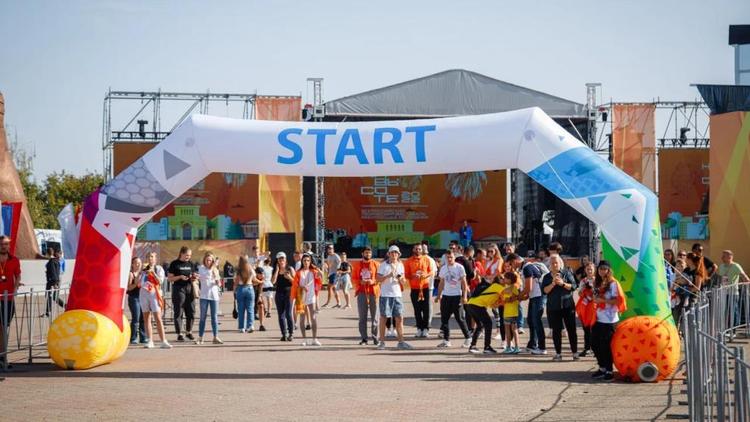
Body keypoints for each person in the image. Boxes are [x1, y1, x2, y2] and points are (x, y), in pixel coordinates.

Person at [590, 260, 627, 381]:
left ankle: (609, 370)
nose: (602, 271)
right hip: (598, 317)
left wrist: (603, 301)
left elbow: (618, 301)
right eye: (600, 268)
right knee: (595, 344)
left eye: (605, 269)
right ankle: (602, 368)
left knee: (606, 346)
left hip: (610, 319)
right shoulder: (598, 282)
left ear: (609, 270)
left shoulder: (613, 283)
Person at [376, 245, 413, 350]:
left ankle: (401, 342)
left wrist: (401, 279)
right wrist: (388, 276)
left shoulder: (401, 265)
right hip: (385, 295)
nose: (394, 254)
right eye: (392, 253)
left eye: (396, 253)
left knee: (400, 318)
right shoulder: (383, 265)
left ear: (399, 254)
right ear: (388, 254)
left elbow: (404, 281)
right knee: (383, 318)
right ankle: (382, 342)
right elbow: (378, 279)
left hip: (397, 295)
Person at [542, 255, 578, 361]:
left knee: (571, 329)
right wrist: (553, 283)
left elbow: (574, 286)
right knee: (556, 331)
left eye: (556, 263)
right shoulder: (547, 277)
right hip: (553, 307)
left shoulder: (566, 273)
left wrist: (562, 284)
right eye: (552, 263)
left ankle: (575, 353)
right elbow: (544, 291)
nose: (554, 265)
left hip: (568, 306)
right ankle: (558, 353)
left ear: (560, 263)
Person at [512, 253, 548, 355]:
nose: (512, 266)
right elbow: (528, 291)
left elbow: (529, 288)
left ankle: (542, 347)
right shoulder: (525, 268)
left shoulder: (527, 267)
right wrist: (520, 298)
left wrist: (518, 296)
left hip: (539, 296)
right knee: (531, 321)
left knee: (536, 321)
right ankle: (532, 345)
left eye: (511, 263)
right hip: (534, 296)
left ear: (515, 260)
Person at [435, 250, 471, 348]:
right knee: (444, 319)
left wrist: (464, 296)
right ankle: (446, 340)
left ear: (454, 257)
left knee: (459, 318)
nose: (449, 259)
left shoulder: (459, 268)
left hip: (456, 296)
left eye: (451, 257)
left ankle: (468, 338)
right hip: (446, 296)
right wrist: (439, 295)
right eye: (447, 257)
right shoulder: (443, 268)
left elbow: (464, 283)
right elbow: (441, 282)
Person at [140, 252, 171, 349]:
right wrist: (142, 273)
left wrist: (152, 272)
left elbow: (160, 282)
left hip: (154, 294)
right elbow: (139, 282)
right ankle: (150, 340)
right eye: (148, 257)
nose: (150, 259)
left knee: (158, 317)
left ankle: (163, 341)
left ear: (155, 259)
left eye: (152, 257)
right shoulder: (143, 269)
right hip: (144, 294)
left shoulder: (159, 268)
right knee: (146, 318)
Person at [465, 275, 503, 354]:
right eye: (503, 279)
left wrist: (499, 302)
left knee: (480, 325)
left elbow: (492, 305)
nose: (504, 280)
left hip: (471, 304)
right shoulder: (497, 286)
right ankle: (487, 347)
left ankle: (473, 346)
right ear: (499, 280)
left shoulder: (491, 288)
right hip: (477, 306)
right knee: (488, 323)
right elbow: (507, 293)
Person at [167, 246, 198, 342]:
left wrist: (194, 277)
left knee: (191, 311)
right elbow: (170, 278)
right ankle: (179, 333)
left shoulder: (191, 264)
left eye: (190, 255)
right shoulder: (174, 264)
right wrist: (180, 276)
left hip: (189, 288)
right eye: (187, 255)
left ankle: (189, 332)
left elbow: (192, 275)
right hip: (178, 289)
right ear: (181, 253)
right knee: (179, 311)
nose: (188, 257)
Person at [291, 253, 323, 346]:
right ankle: (304, 339)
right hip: (301, 296)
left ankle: (314, 339)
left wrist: (317, 268)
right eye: (304, 260)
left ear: (310, 261)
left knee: (313, 317)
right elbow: (295, 284)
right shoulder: (298, 272)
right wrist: (301, 287)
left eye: (308, 260)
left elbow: (321, 276)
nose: (306, 262)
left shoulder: (313, 271)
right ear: (302, 261)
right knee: (302, 318)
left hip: (311, 296)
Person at [0, 235, 22, 368]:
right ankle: (2, 356)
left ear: (9, 245)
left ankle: (2, 356)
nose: (4, 246)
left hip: (8, 299)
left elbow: (18, 275)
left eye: (6, 244)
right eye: (2, 244)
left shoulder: (14, 260)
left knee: (4, 328)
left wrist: (15, 288)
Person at [404, 243, 433, 338]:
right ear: (413, 250)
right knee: (417, 310)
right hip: (414, 289)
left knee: (426, 309)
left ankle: (426, 329)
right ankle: (419, 328)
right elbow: (406, 275)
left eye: (419, 249)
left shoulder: (426, 259)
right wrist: (413, 276)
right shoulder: (408, 261)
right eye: (416, 249)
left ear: (422, 250)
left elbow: (431, 271)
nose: (418, 250)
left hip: (425, 287)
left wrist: (425, 275)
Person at [353, 246, 380, 345]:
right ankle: (364, 338)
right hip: (361, 292)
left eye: (369, 253)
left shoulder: (376, 264)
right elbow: (354, 278)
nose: (368, 254)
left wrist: (373, 281)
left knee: (375, 317)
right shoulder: (357, 265)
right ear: (362, 254)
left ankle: (375, 337)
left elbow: (380, 278)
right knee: (362, 317)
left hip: (373, 292)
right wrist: (360, 281)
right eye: (366, 253)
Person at [196, 252, 223, 344]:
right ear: (204, 260)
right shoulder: (201, 268)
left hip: (214, 296)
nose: (208, 262)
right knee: (202, 317)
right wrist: (213, 268)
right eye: (207, 260)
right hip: (204, 296)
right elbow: (205, 276)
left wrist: (217, 280)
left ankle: (215, 337)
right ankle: (200, 337)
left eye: (210, 260)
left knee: (214, 317)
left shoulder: (215, 270)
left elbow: (219, 283)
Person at [272, 252, 296, 341]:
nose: (281, 260)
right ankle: (284, 334)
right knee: (281, 315)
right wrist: (277, 271)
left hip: (289, 293)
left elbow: (295, 283)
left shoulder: (290, 269)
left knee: (288, 314)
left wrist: (289, 277)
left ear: (285, 259)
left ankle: (291, 333)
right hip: (279, 294)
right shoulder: (275, 270)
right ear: (277, 261)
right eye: (279, 259)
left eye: (283, 258)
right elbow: (273, 282)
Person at [575, 262, 597, 357]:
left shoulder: (597, 280)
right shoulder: (583, 281)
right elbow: (579, 294)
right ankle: (587, 348)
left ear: (594, 270)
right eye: (588, 269)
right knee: (586, 328)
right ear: (585, 270)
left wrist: (592, 289)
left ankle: (595, 349)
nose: (589, 271)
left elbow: (599, 293)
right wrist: (583, 289)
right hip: (585, 307)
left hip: (594, 307)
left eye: (591, 269)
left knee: (595, 329)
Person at [484, 244, 504, 341]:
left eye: (492, 251)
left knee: (496, 309)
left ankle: (499, 331)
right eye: (489, 251)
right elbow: (484, 272)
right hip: (488, 285)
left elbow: (498, 272)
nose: (490, 253)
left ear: (496, 251)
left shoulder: (499, 260)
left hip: (496, 285)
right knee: (492, 308)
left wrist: (491, 277)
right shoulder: (488, 261)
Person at [126, 257, 148, 345]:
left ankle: (143, 337)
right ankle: (133, 338)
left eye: (139, 263)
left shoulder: (143, 273)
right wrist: (136, 284)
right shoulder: (131, 274)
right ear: (132, 264)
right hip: (134, 298)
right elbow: (128, 288)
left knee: (143, 318)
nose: (138, 265)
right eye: (136, 263)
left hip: (143, 297)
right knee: (136, 318)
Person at [500, 272, 521, 354]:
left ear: (510, 279)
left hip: (512, 312)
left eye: (505, 278)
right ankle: (509, 347)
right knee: (507, 331)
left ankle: (517, 346)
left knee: (514, 330)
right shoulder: (506, 288)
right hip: (507, 312)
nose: (504, 279)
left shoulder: (513, 288)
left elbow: (515, 297)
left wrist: (507, 299)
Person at [420, 241, 438, 334]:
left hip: (428, 286)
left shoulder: (430, 260)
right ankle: (424, 323)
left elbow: (434, 273)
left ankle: (427, 323)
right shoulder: (419, 259)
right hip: (420, 287)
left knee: (427, 306)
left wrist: (426, 276)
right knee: (424, 306)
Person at [235, 256, 256, 333]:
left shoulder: (239, 270)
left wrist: (234, 291)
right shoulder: (250, 269)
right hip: (250, 288)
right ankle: (250, 326)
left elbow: (236, 281)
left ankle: (241, 327)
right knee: (250, 309)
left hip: (241, 289)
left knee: (241, 309)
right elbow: (254, 278)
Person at [43, 249, 66, 317]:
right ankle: (65, 306)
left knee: (49, 296)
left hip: (52, 281)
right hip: (56, 280)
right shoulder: (57, 261)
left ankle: (48, 312)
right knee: (53, 297)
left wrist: (54, 283)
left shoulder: (52, 261)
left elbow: (53, 271)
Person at [254, 267, 268, 331]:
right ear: (256, 273)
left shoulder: (262, 278)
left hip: (258, 294)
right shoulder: (253, 278)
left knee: (261, 306)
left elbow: (260, 289)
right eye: (260, 274)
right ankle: (249, 325)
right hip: (251, 293)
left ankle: (261, 325)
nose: (262, 275)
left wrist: (259, 296)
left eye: (262, 273)